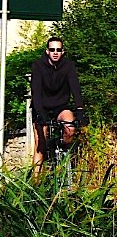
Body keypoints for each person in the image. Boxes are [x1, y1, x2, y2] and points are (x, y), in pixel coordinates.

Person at [31, 36, 85, 165]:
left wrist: (80, 109)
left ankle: (63, 151)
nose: (55, 52)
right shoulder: (38, 65)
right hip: (42, 107)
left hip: (60, 107)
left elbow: (75, 87)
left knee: (70, 128)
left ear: (63, 51)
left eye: (58, 50)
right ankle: (35, 181)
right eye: (52, 49)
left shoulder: (68, 65)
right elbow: (36, 90)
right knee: (41, 146)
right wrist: (40, 112)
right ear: (47, 51)